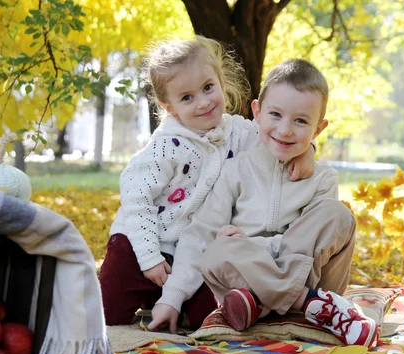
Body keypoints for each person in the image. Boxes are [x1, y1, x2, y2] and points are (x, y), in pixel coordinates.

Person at [149, 59, 378, 347]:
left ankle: (262, 301)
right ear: (257, 112)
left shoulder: (322, 179)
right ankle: (306, 305)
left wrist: (253, 246)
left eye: (301, 121)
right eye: (275, 115)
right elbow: (200, 234)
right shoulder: (235, 169)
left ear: (318, 129)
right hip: (252, 280)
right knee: (216, 250)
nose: (284, 130)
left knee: (339, 215)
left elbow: (311, 245)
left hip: (302, 278)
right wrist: (172, 297)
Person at [99, 37, 318, 330]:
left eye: (208, 88)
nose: (203, 102)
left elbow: (279, 135)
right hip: (137, 245)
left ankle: (166, 300)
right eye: (187, 98)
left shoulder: (239, 132)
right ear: (170, 107)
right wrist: (148, 257)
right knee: (106, 315)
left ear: (220, 81)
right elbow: (136, 200)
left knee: (209, 318)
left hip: (193, 254)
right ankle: (131, 293)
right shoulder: (165, 146)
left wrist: (308, 151)